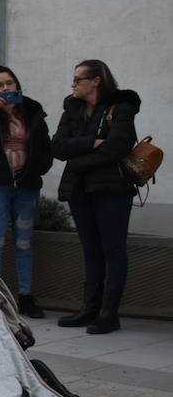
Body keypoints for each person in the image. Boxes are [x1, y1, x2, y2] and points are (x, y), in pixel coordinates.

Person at [51, 59, 141, 334]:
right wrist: (91, 143)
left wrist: (78, 161)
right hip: (80, 189)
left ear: (96, 81)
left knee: (113, 250)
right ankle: (90, 308)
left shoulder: (121, 107)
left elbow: (117, 147)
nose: (73, 85)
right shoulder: (72, 108)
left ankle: (109, 313)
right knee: (91, 250)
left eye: (78, 80)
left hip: (112, 189)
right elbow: (58, 146)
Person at [0, 66, 53, 319]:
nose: (5, 89)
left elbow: (44, 148)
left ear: (17, 85)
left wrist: (36, 169)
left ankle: (25, 296)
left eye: (9, 83)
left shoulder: (32, 111)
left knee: (24, 243)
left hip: (26, 186)